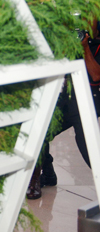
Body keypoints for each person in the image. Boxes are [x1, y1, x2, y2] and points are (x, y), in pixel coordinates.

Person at [27, 22, 100, 199]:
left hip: (85, 100)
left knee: (87, 145)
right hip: (60, 97)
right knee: (38, 131)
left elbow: (96, 75)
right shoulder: (63, 37)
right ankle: (39, 176)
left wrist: (84, 48)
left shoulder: (96, 45)